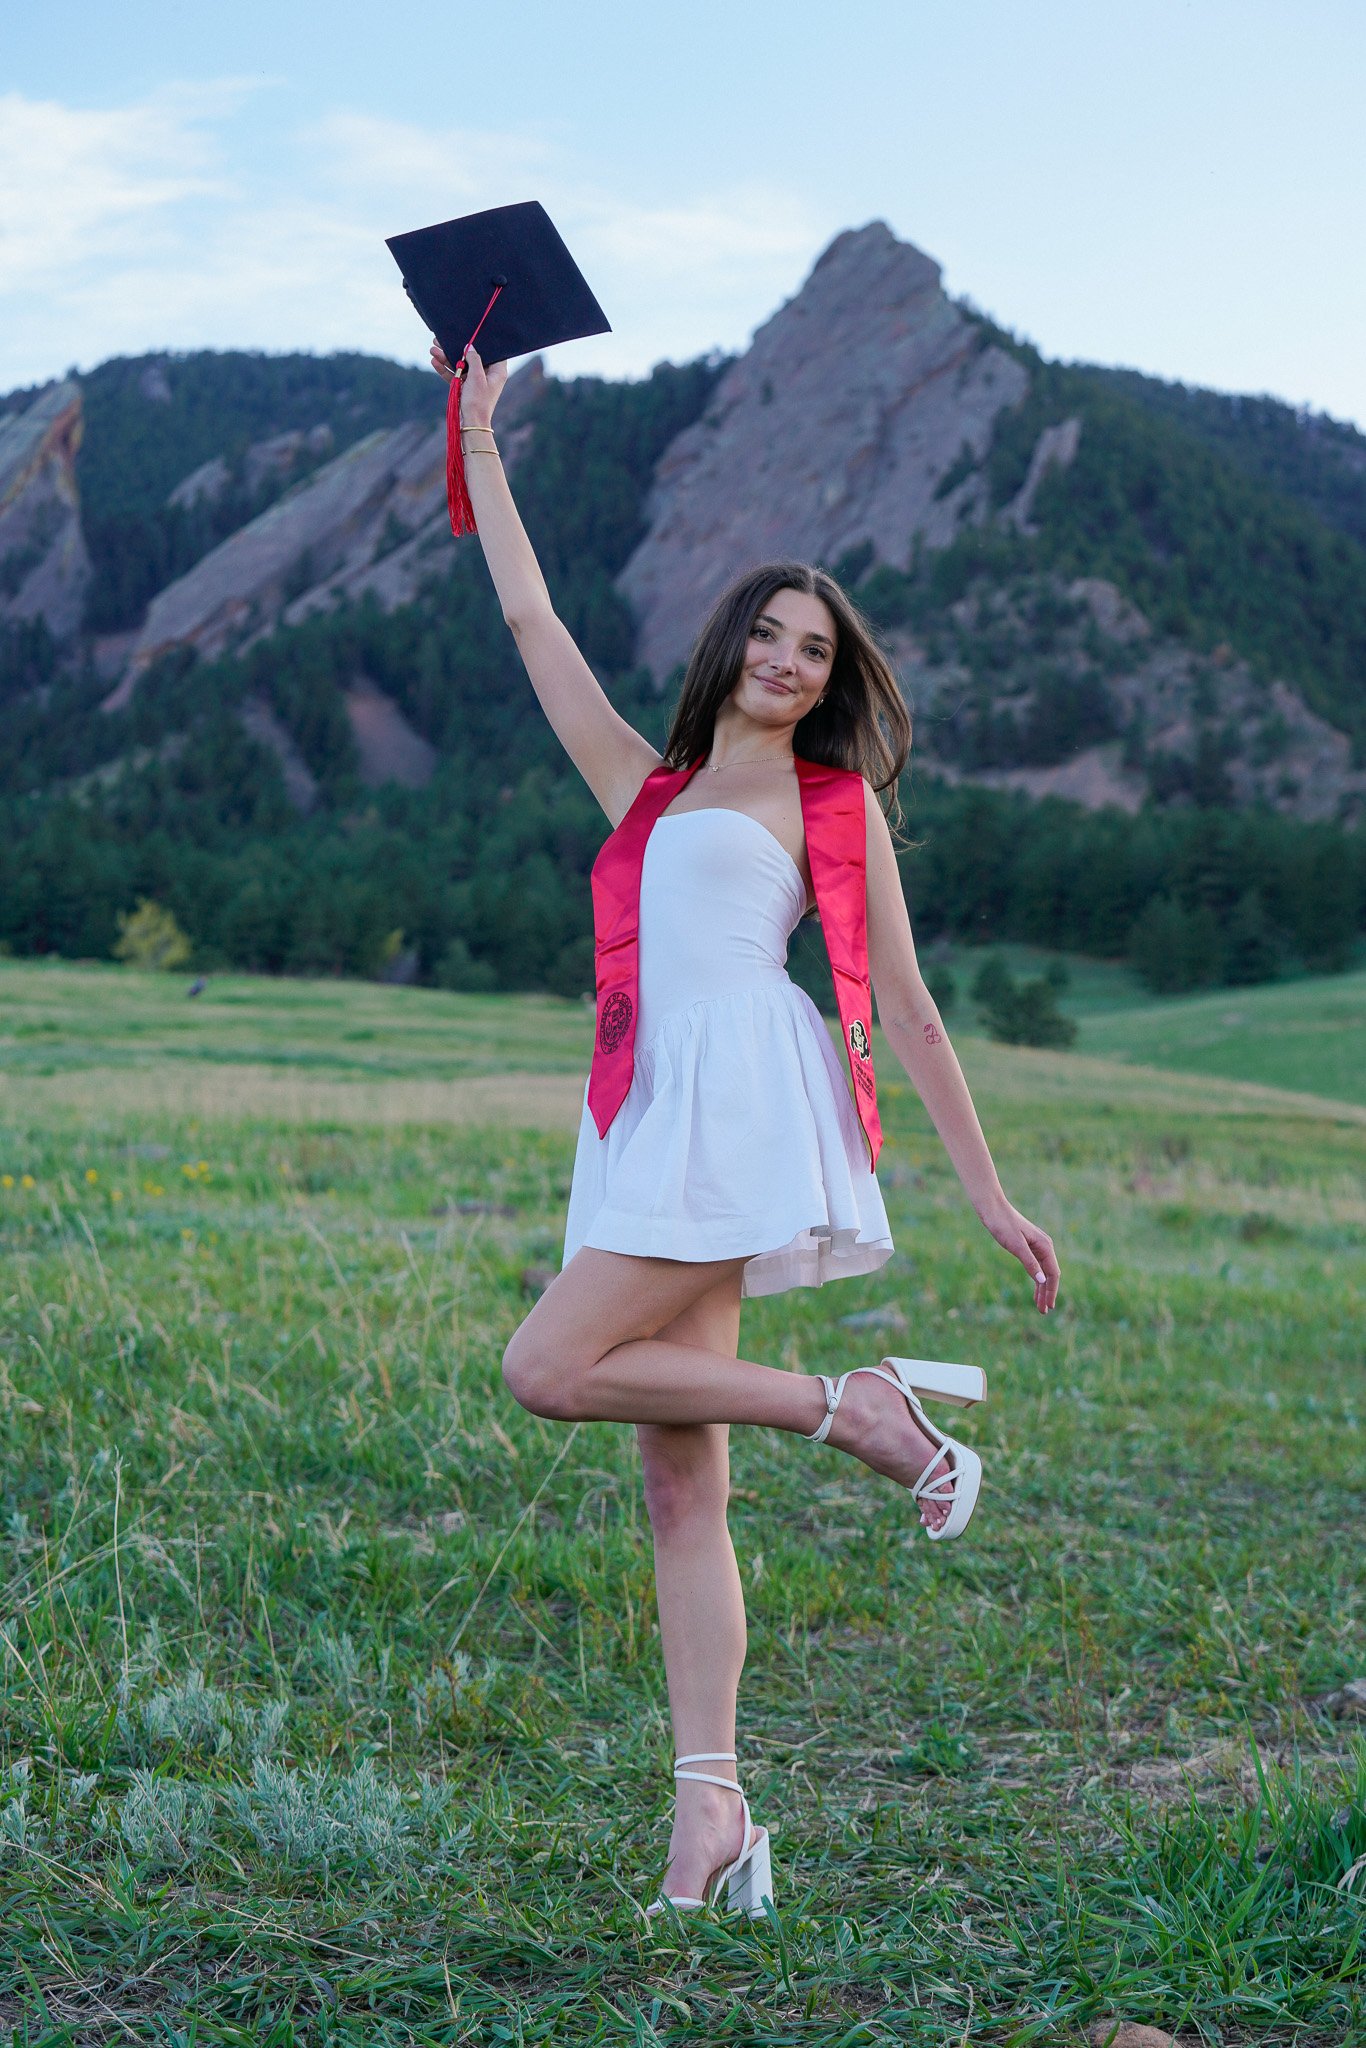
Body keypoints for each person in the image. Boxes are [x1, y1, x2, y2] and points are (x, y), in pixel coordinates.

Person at [431, 338, 1061, 1920]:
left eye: (816, 649)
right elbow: (529, 620)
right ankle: (708, 1825)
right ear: (730, 648)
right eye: (769, 636)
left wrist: (985, 1194)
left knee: (543, 1367)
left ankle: (851, 1407)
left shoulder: (829, 807)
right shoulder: (643, 791)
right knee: (673, 1483)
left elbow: (906, 1008)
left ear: (835, 680)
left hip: (740, 1107)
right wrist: (479, 441)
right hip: (648, 1116)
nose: (788, 661)